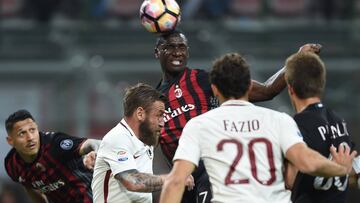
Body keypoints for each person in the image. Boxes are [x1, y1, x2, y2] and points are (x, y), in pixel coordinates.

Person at [159, 52, 356, 203]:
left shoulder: (198, 126)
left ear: (215, 89)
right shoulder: (279, 120)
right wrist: (341, 169)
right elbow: (307, 162)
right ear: (249, 87)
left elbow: (175, 181)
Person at [91, 83, 194, 203]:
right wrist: (176, 178)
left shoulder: (146, 138)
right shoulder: (117, 138)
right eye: (159, 115)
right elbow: (133, 182)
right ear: (140, 113)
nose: (162, 123)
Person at [284, 52, 359, 202]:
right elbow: (351, 171)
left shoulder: (294, 126)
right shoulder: (339, 121)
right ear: (321, 85)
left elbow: (290, 181)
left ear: (291, 89)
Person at [4, 109, 101, 203]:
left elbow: (92, 143)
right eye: (22, 133)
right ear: (10, 141)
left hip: (92, 198)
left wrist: (95, 153)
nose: (30, 138)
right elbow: (29, 187)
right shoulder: (12, 165)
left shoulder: (55, 144)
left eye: (32, 130)